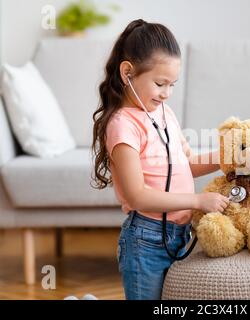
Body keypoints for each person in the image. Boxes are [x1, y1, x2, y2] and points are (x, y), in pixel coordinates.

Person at [91, 19, 229, 300]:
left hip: (180, 235)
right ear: (128, 72)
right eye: (159, 83)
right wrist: (198, 201)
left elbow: (184, 165)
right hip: (146, 239)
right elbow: (138, 195)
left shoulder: (165, 115)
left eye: (172, 84)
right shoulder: (122, 125)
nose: (167, 93)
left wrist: (226, 159)